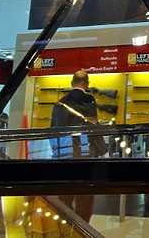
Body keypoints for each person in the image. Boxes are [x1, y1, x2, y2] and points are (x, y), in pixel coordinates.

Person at [50, 70, 106, 222]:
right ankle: (82, 228)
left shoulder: (60, 102)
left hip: (64, 155)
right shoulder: (88, 100)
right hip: (84, 154)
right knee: (85, 197)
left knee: (65, 196)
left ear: (71, 83)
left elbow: (53, 131)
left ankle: (66, 226)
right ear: (86, 84)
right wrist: (103, 150)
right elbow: (93, 127)